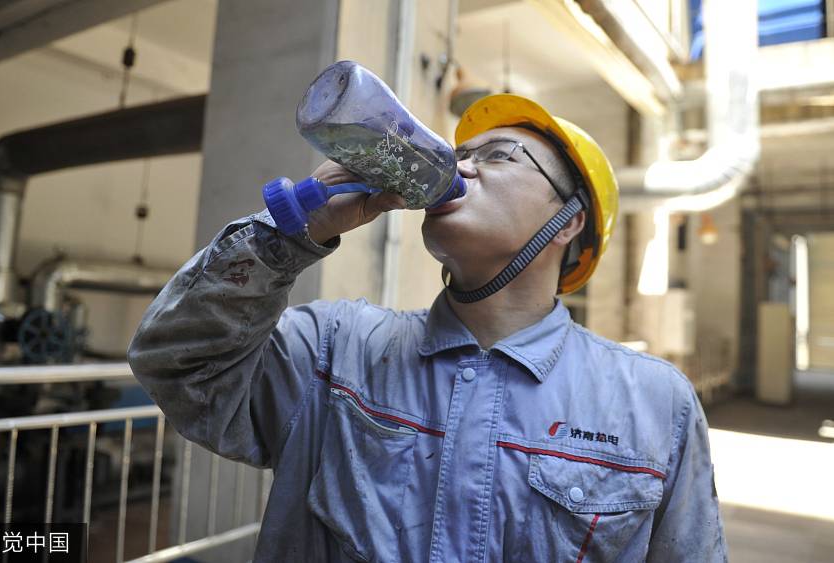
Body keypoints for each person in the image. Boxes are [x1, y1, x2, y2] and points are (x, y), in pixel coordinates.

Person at [128, 94, 727, 562]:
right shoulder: (337, 350)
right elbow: (178, 365)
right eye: (461, 153)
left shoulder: (653, 403)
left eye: (498, 155)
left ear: (568, 222)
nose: (460, 165)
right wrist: (288, 234)